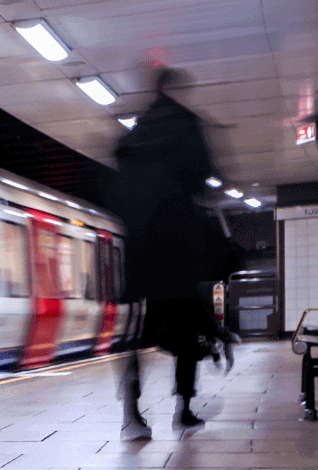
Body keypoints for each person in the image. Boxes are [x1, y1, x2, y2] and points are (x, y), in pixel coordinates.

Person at [109, 66, 238, 440]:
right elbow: (207, 177)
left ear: (154, 88)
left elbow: (119, 182)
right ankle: (183, 409)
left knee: (133, 336)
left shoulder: (133, 135)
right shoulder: (187, 125)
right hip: (177, 249)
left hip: (139, 252)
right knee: (186, 334)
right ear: (175, 88)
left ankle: (131, 416)